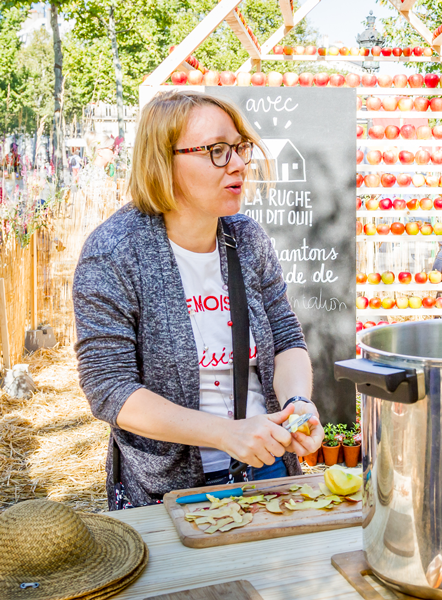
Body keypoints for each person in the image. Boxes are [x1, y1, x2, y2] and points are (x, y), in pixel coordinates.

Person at [74, 90, 323, 510]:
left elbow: (285, 339)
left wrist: (299, 402)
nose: (240, 163)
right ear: (163, 162)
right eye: (217, 151)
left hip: (267, 467)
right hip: (167, 488)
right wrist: (225, 433)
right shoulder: (114, 252)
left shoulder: (247, 239)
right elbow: (109, 387)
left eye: (240, 148)